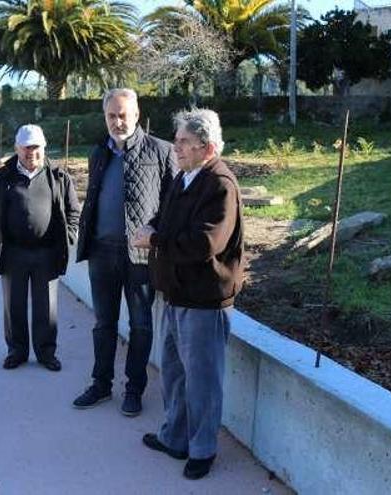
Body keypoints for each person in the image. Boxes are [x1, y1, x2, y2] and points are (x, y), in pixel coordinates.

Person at [132, 108, 245, 480]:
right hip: (178, 293)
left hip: (204, 300)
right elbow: (168, 219)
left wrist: (156, 240)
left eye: (183, 142)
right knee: (175, 374)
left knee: (202, 381)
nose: (175, 147)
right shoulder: (185, 177)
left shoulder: (219, 184)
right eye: (177, 139)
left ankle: (202, 449)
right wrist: (154, 225)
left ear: (207, 147)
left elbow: (206, 242)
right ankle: (174, 437)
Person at [73, 88, 176, 416]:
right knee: (103, 322)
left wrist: (155, 231)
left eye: (123, 115)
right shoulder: (98, 152)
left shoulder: (161, 151)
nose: (118, 122)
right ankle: (101, 384)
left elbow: (173, 203)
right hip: (102, 252)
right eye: (111, 116)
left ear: (136, 114)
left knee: (141, 325)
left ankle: (134, 389)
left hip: (140, 257)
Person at [0, 124, 80, 371]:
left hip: (47, 252)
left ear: (44, 148)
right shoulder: (3, 177)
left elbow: (73, 211)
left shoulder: (58, 176)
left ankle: (46, 353)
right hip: (13, 253)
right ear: (17, 148)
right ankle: (17, 351)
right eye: (26, 148)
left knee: (47, 308)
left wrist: (67, 237)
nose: (31, 153)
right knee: (14, 306)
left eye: (36, 148)